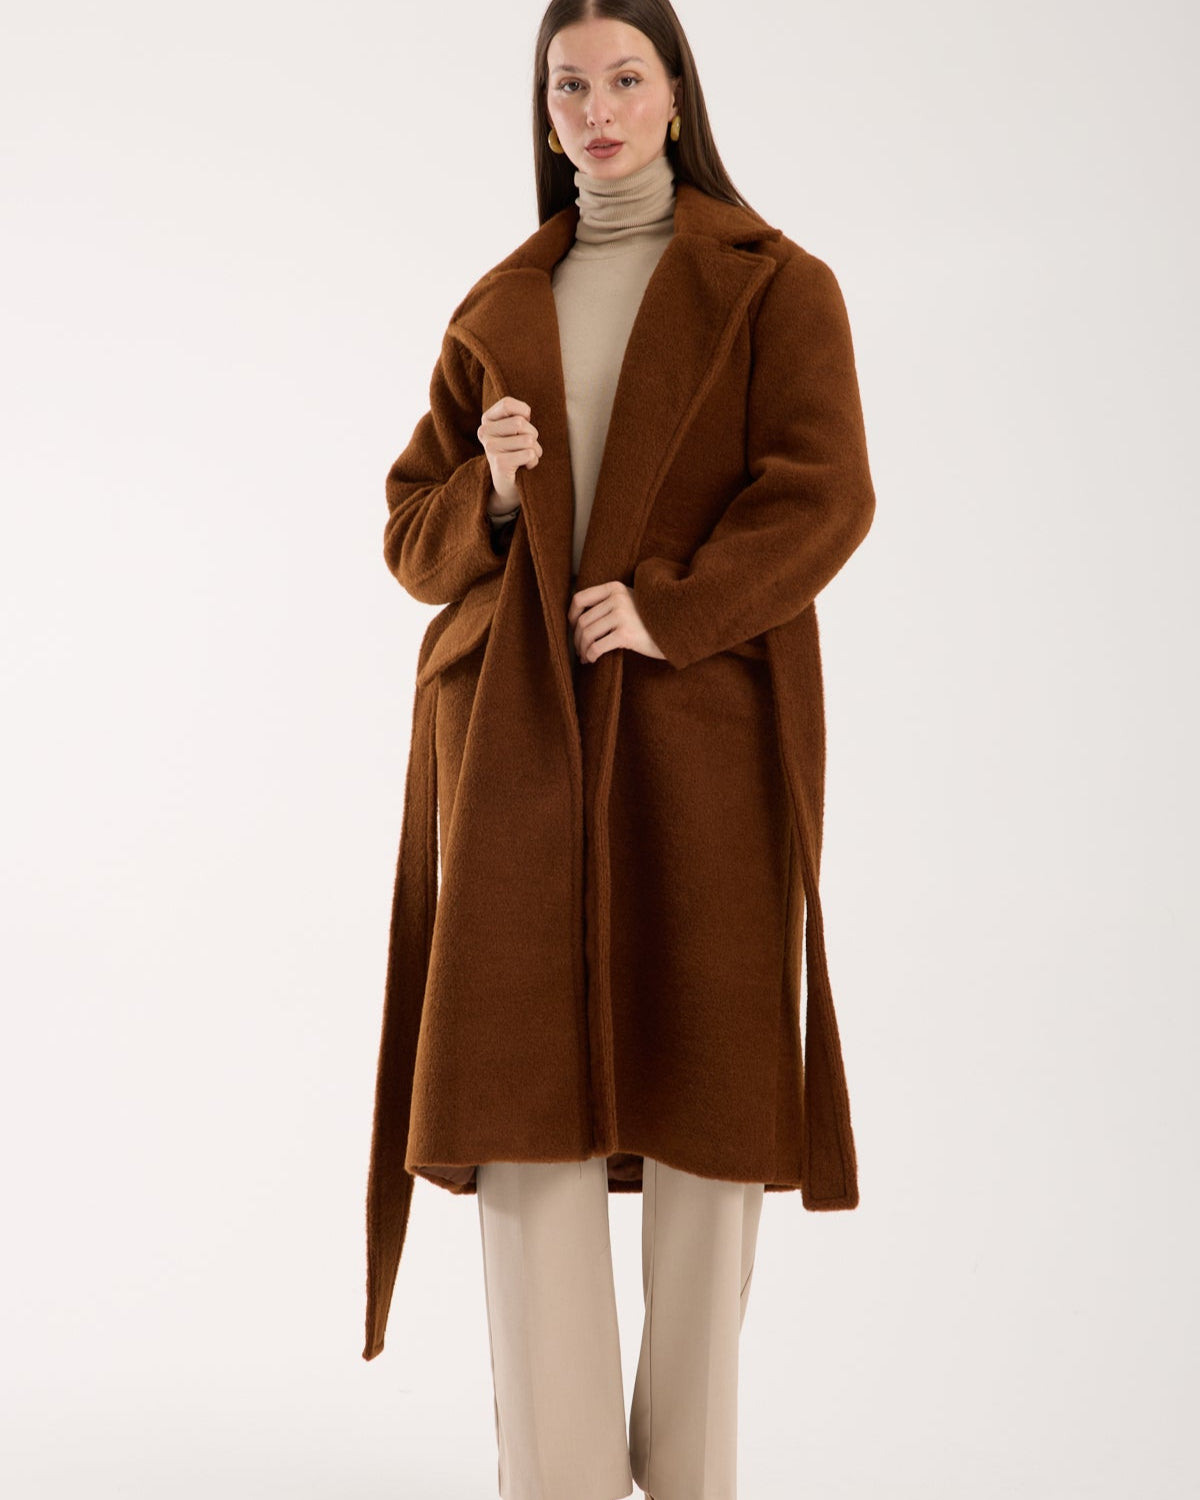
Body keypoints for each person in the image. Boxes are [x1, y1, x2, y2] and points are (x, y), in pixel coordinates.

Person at [363, 3, 877, 1498]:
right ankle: (563, 1479)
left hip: (699, 738)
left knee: (710, 1101)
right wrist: (492, 493)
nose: (596, 108)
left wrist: (674, 610)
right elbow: (410, 537)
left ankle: (692, 1475)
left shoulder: (775, 284)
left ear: (675, 96)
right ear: (546, 114)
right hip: (514, 746)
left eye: (624, 78)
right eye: (569, 85)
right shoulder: (498, 305)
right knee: (521, 1111)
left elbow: (826, 495)